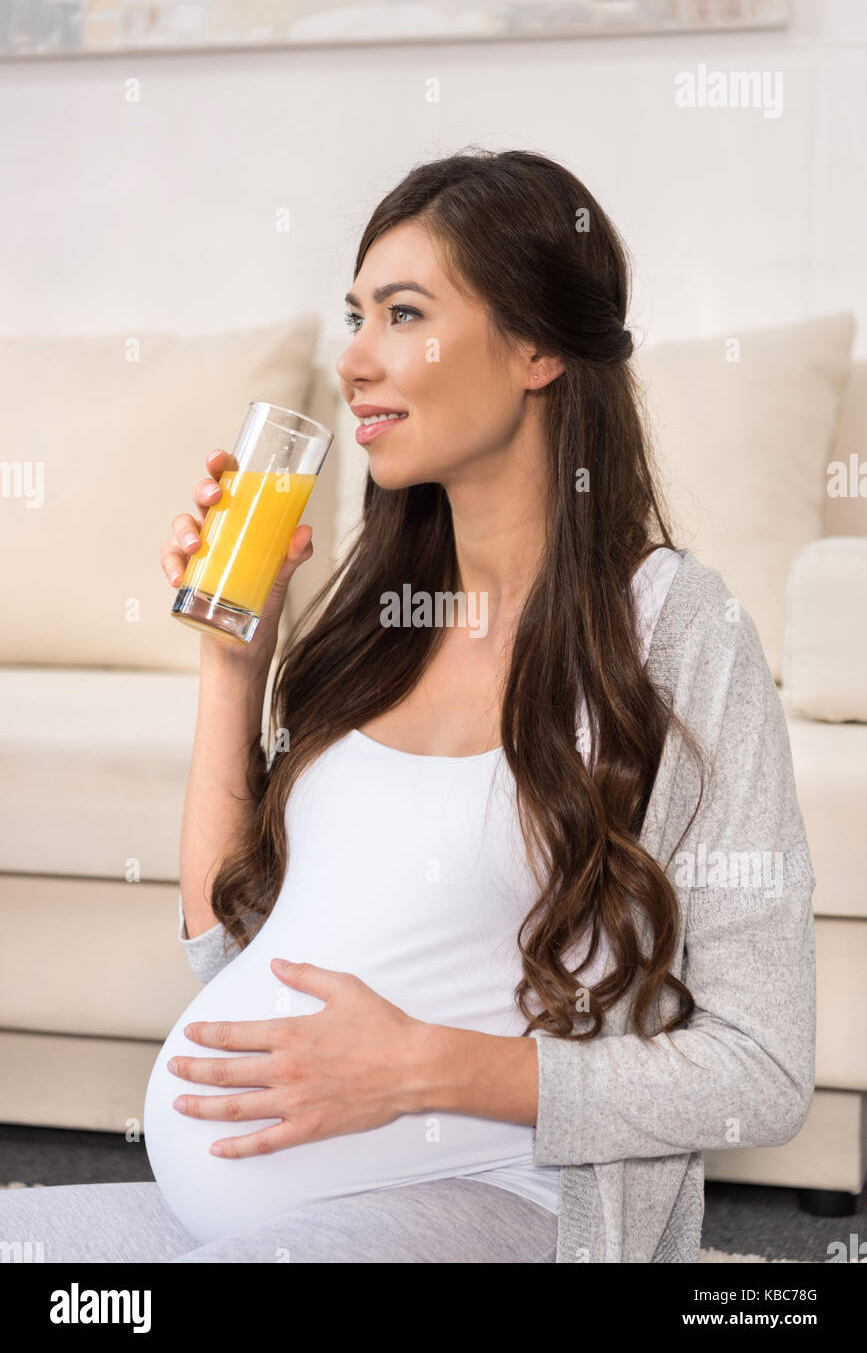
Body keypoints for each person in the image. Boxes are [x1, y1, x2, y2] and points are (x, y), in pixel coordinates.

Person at [0, 149, 815, 1263]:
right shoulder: (381, 620)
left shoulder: (675, 631)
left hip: (501, 1204)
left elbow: (762, 1071)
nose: (354, 360)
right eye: (354, 315)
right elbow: (226, 954)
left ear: (536, 347)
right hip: (247, 1209)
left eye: (402, 313)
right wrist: (236, 662)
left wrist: (428, 1067)